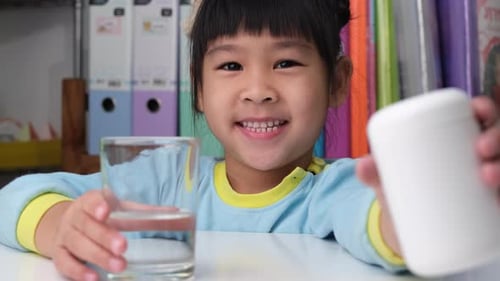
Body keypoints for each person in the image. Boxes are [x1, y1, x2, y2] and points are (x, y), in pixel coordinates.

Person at [1, 0, 499, 280]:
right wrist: (62, 222)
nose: (258, 91)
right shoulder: (168, 178)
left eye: (286, 63)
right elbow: (12, 200)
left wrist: (417, 205)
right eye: (230, 65)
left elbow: (377, 227)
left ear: (338, 82)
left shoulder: (335, 190)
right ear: (198, 87)